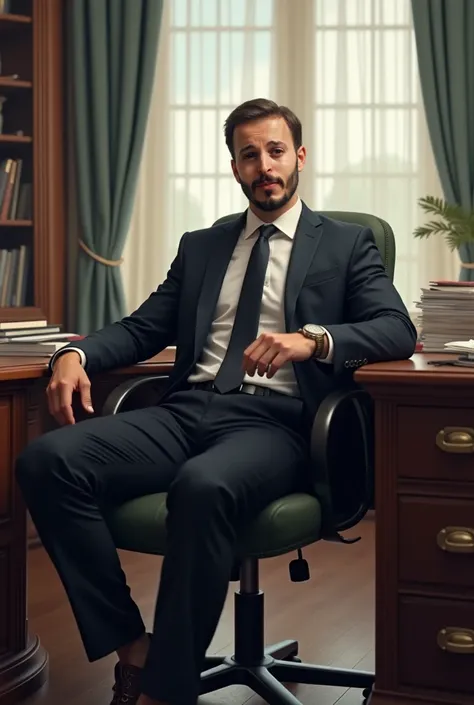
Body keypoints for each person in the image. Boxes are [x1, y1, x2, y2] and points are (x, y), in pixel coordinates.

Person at [15, 98, 417, 705]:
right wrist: (72, 356)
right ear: (234, 167)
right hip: (185, 411)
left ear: (299, 157)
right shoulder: (202, 246)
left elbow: (397, 328)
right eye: (249, 154)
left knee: (202, 486)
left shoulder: (345, 243)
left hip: (276, 423)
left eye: (276, 151)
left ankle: (166, 691)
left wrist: (311, 339)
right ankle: (133, 645)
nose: (265, 165)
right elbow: (141, 328)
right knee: (45, 462)